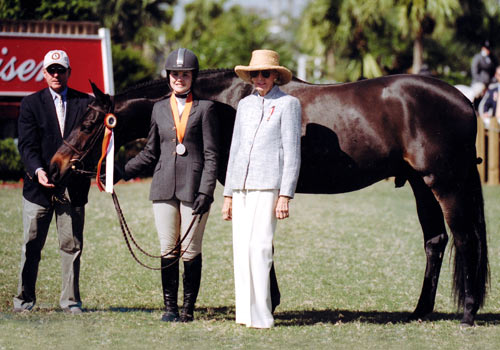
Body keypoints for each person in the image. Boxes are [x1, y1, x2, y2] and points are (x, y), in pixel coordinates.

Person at [122, 48, 218, 322]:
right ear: (168, 77)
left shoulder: (206, 109)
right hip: (164, 187)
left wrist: (207, 191)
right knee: (168, 248)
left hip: (194, 187)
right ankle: (170, 308)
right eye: (175, 74)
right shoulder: (158, 109)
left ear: (193, 77)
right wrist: (122, 171)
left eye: (185, 74)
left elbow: (212, 155)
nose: (179, 78)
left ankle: (188, 309)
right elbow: (150, 153)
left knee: (190, 249)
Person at [221, 49, 301, 328]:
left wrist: (285, 195)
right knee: (241, 250)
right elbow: (235, 150)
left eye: (265, 74)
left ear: (276, 76)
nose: (260, 78)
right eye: (255, 74)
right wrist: (228, 194)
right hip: (240, 187)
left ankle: (263, 314)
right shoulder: (244, 105)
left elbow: (292, 152)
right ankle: (245, 314)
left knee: (261, 248)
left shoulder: (289, 104)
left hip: (268, 186)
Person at [14, 50, 93, 314]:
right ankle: (24, 300)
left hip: (72, 190)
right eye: (52, 70)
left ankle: (71, 302)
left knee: (71, 246)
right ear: (44, 73)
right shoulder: (30, 104)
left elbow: (92, 144)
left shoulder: (86, 103)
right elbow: (26, 145)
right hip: (38, 189)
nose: (56, 75)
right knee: (31, 245)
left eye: (61, 70)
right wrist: (38, 170)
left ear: (69, 72)